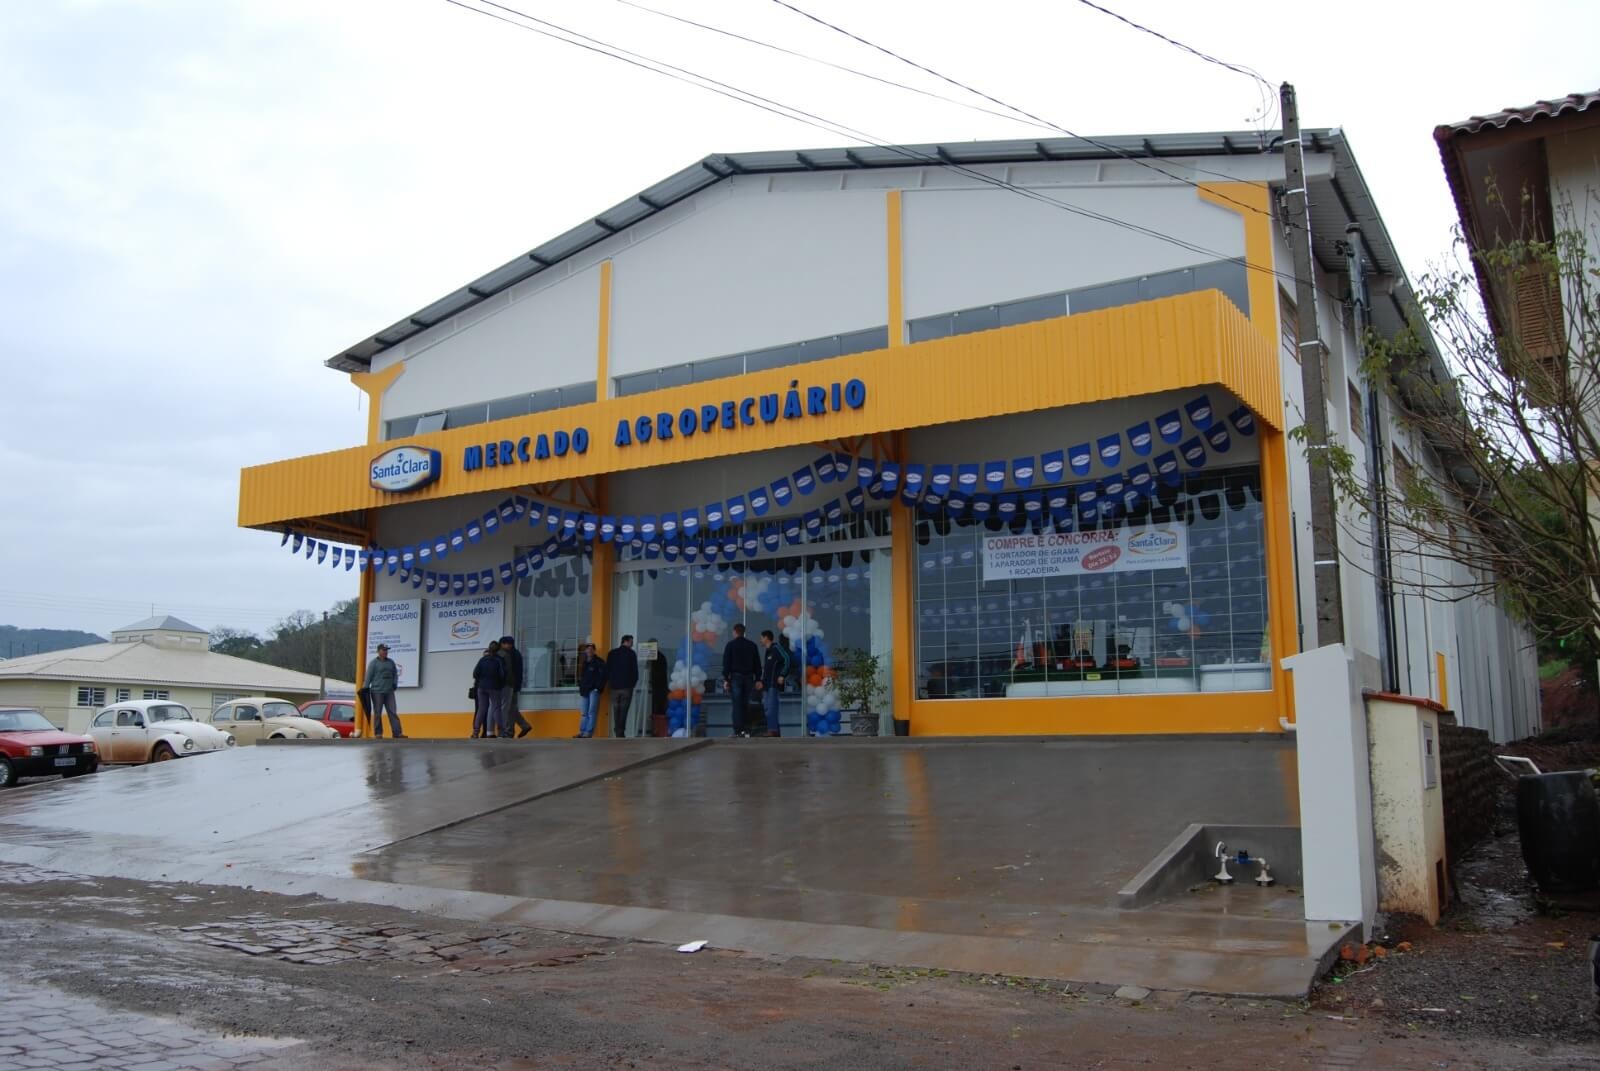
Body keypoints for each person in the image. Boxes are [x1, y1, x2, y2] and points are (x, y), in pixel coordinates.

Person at [722, 622, 761, 737]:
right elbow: (757, 664)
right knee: (746, 703)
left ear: (734, 632)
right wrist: (758, 678)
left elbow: (726, 663)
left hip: (736, 677)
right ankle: (746, 729)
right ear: (743, 632)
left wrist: (726, 679)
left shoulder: (730, 645)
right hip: (749, 677)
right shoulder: (752, 645)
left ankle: (738, 730)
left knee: (737, 704)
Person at [362, 644, 405, 738]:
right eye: (384, 650)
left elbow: (395, 674)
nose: (386, 652)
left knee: (393, 712)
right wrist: (364, 689)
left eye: (387, 650)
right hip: (377, 692)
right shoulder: (373, 663)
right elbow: (368, 677)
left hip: (389, 691)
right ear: (379, 651)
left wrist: (395, 683)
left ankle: (397, 733)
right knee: (377, 713)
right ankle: (378, 733)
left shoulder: (391, 662)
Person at [497, 635, 532, 738]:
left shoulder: (505, 654)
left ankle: (509, 732)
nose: (504, 645)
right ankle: (524, 726)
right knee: (512, 709)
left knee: (507, 710)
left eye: (505, 644)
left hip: (508, 685)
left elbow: (509, 672)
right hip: (514, 685)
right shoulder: (516, 653)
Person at [605, 635, 639, 738]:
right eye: (631, 642)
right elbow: (635, 672)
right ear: (626, 641)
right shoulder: (631, 654)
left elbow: (607, 670)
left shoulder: (612, 653)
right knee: (624, 710)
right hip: (626, 687)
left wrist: (611, 682)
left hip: (614, 687)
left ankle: (617, 731)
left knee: (616, 710)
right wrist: (632, 684)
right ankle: (620, 732)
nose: (632, 644)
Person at [471, 641, 505, 739]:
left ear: (489, 648)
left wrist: (482, 680)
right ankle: (501, 733)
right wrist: (499, 684)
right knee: (496, 708)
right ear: (498, 650)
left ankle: (475, 733)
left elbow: (475, 674)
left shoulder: (482, 660)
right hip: (495, 687)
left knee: (481, 709)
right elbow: (502, 675)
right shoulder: (499, 660)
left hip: (481, 687)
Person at [759, 629, 787, 737]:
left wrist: (782, 675)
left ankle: (772, 730)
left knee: (772, 708)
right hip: (766, 685)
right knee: (767, 708)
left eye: (761, 638)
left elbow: (787, 660)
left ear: (766, 638)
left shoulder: (776, 648)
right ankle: (775, 731)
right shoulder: (768, 652)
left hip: (773, 685)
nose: (760, 640)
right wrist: (761, 682)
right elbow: (767, 670)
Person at [575, 642, 606, 738]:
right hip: (584, 691)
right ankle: (582, 732)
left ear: (594, 650)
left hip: (593, 691)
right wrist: (581, 687)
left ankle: (588, 732)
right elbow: (582, 677)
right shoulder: (584, 663)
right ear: (585, 651)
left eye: (591, 649)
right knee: (584, 713)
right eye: (588, 649)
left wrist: (598, 688)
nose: (589, 651)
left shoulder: (599, 662)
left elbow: (604, 677)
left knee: (591, 712)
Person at [647, 638, 669, 737]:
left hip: (659, 687)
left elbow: (659, 673)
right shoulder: (656, 657)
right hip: (657, 687)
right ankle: (655, 730)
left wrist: (652, 680)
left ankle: (657, 731)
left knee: (658, 709)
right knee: (657, 709)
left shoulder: (658, 657)